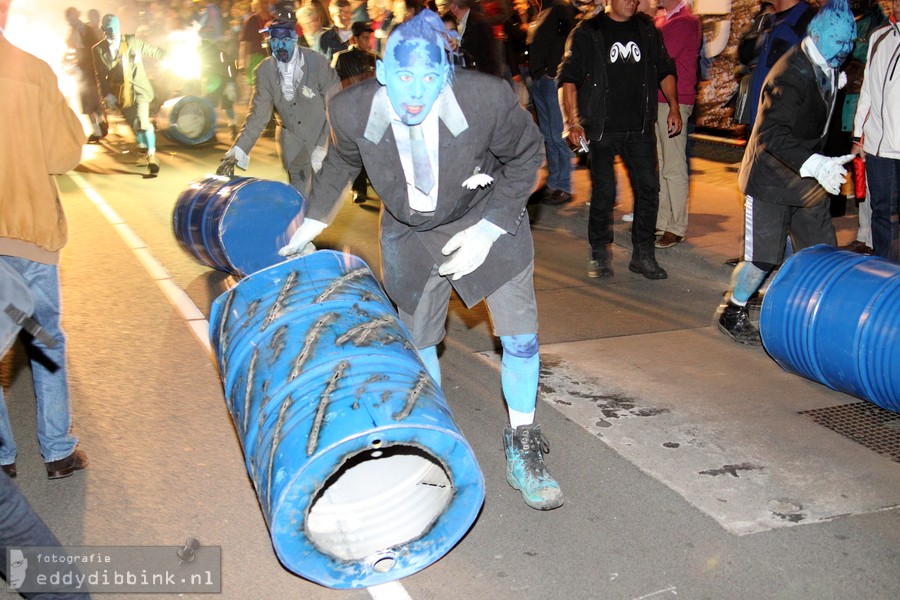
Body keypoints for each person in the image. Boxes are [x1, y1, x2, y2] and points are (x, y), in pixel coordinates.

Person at [279, 10, 563, 510]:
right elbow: (345, 158)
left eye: (430, 77)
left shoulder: (484, 99)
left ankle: (523, 443)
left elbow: (529, 155)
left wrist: (490, 227)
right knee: (419, 340)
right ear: (383, 71)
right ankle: (435, 438)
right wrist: (313, 220)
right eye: (404, 76)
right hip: (410, 231)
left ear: (446, 75)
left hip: (486, 214)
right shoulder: (350, 108)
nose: (415, 92)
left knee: (520, 338)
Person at [718, 0, 857, 345]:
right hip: (770, 177)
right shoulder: (788, 74)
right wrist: (818, 163)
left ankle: (811, 314)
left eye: (849, 43)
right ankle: (733, 309)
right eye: (839, 42)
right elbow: (771, 135)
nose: (845, 50)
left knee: (822, 251)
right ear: (819, 34)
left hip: (805, 177)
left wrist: (831, 80)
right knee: (764, 257)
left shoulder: (825, 61)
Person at [0, 0, 88, 480]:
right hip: (29, 238)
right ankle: (57, 451)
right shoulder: (33, 72)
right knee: (40, 338)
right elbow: (64, 153)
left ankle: (2, 458)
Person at [558, 0, 681, 280]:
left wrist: (673, 105)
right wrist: (573, 122)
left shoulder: (647, 30)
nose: (631, 1)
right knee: (604, 191)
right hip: (601, 127)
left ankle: (643, 254)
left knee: (649, 188)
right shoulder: (589, 31)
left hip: (639, 127)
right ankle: (600, 252)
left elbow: (665, 68)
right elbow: (569, 78)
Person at [218, 17, 341, 198]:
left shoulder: (317, 63)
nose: (279, 46)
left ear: (294, 40)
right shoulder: (264, 71)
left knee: (321, 200)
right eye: (274, 41)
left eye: (285, 41)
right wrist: (237, 152)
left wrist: (323, 146)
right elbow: (258, 116)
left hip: (322, 137)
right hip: (293, 143)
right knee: (299, 197)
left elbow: (335, 104)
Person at [852, 0, 900, 261]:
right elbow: (868, 89)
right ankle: (886, 270)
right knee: (882, 212)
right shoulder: (879, 37)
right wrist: (859, 135)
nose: (896, 4)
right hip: (878, 145)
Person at [92, 14, 166, 175]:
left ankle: (152, 156)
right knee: (134, 125)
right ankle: (142, 150)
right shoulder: (97, 49)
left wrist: (171, 56)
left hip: (139, 90)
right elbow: (100, 74)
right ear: (103, 29)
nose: (111, 31)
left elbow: (153, 50)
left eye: (114, 28)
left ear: (119, 27)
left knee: (142, 121)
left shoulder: (131, 42)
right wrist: (106, 95)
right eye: (108, 28)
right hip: (121, 94)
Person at [653, 0, 701, 249]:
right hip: (662, 101)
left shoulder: (683, 22)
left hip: (674, 102)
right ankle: (662, 222)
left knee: (673, 166)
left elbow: (659, 58)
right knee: (662, 166)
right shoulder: (669, 20)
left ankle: (677, 227)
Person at [527, 0, 580, 206]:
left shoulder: (559, 8)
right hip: (541, 79)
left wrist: (550, 72)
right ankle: (554, 182)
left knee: (557, 134)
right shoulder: (545, 10)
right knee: (549, 135)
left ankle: (564, 185)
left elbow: (562, 41)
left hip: (550, 80)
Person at [740, 0, 817, 130]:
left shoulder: (807, 23)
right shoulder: (770, 21)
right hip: (762, 122)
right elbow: (746, 56)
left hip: (783, 130)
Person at [332, 20, 378, 203]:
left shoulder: (375, 58)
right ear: (354, 39)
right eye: (365, 38)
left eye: (370, 38)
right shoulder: (342, 58)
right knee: (356, 149)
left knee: (371, 149)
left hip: (371, 111)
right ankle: (358, 187)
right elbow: (333, 83)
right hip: (350, 110)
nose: (369, 42)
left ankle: (374, 184)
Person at [64, 7, 107, 143]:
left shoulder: (88, 30)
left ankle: (100, 124)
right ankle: (96, 130)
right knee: (86, 102)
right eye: (68, 19)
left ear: (77, 16)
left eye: (71, 17)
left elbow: (97, 47)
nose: (70, 21)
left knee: (94, 99)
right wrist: (68, 62)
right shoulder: (72, 35)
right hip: (81, 72)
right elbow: (70, 52)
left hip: (92, 70)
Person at [448, 0, 498, 74]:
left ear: (455, 6)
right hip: (478, 72)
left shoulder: (476, 23)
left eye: (450, 5)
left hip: (482, 73)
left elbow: (485, 52)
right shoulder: (468, 21)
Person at [239, 0, 271, 89]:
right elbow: (244, 42)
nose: (264, 5)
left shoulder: (273, 18)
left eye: (266, 3)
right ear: (256, 5)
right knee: (257, 86)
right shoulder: (251, 20)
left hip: (271, 56)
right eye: (261, 3)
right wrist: (242, 62)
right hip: (256, 57)